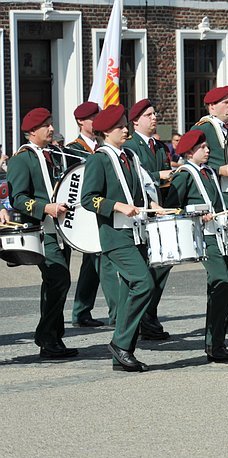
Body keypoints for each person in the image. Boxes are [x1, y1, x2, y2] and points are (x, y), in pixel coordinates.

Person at [81, 103, 163, 372]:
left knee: (132, 288)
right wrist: (116, 206)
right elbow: (87, 199)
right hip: (115, 235)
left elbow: (140, 188)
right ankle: (120, 343)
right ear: (106, 131)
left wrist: (154, 206)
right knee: (144, 283)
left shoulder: (129, 156)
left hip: (136, 232)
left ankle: (123, 350)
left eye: (125, 125)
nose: (126, 129)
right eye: (120, 127)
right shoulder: (99, 158)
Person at [165, 130, 228, 362]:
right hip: (202, 237)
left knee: (224, 286)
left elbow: (217, 202)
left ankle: (216, 343)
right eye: (203, 148)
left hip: (219, 233)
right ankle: (214, 343)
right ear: (190, 151)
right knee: (222, 282)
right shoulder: (184, 175)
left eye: (207, 147)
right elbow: (173, 210)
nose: (208, 151)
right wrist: (197, 213)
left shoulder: (208, 172)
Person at [7, 108, 78, 359]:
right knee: (59, 280)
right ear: (31, 132)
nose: (51, 129)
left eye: (51, 123)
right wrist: (43, 208)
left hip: (61, 230)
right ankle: (46, 336)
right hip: (41, 231)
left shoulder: (54, 154)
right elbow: (18, 198)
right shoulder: (22, 159)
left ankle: (54, 339)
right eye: (46, 125)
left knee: (55, 283)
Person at [191, 85, 228, 330]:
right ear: (211, 106)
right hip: (218, 196)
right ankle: (223, 308)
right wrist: (219, 169)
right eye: (225, 102)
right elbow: (195, 159)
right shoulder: (204, 128)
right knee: (222, 258)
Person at [65, 101, 121, 329]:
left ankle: (80, 311)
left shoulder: (102, 146)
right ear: (81, 121)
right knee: (103, 261)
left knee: (91, 264)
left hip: (104, 208)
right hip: (86, 209)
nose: (97, 122)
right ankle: (119, 313)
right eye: (92, 119)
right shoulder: (71, 149)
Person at [124, 98, 172, 340]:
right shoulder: (131, 146)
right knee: (145, 271)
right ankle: (142, 319)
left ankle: (149, 316)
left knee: (162, 265)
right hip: (139, 215)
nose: (154, 118)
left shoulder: (160, 147)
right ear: (135, 121)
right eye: (149, 115)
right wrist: (157, 175)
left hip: (160, 213)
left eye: (155, 113)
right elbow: (135, 178)